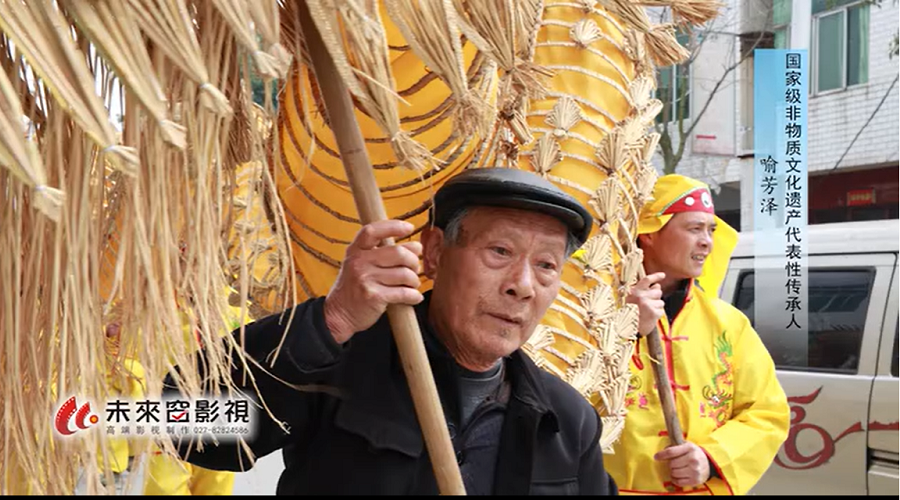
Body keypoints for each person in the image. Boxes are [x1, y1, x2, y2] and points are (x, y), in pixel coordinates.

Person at [163, 168, 619, 495]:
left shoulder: (566, 421)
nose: (522, 285)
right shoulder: (339, 363)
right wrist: (333, 319)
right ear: (435, 252)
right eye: (500, 251)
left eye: (545, 266)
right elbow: (174, 422)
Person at [604, 174, 790, 495]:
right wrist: (625, 333)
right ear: (648, 234)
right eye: (694, 229)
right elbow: (562, 403)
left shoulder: (728, 323)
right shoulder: (594, 314)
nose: (707, 241)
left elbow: (767, 413)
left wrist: (712, 457)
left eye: (711, 230)